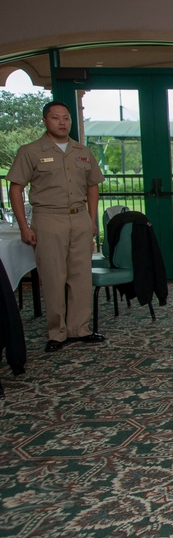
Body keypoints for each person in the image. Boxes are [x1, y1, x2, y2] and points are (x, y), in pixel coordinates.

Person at [6, 101, 105, 352]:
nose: (62, 123)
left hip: (79, 218)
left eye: (66, 118)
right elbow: (16, 188)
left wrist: (91, 220)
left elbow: (93, 186)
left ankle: (79, 328)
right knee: (53, 276)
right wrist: (24, 226)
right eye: (56, 118)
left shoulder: (82, 151)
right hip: (48, 219)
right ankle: (57, 332)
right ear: (45, 121)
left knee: (80, 276)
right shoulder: (30, 151)